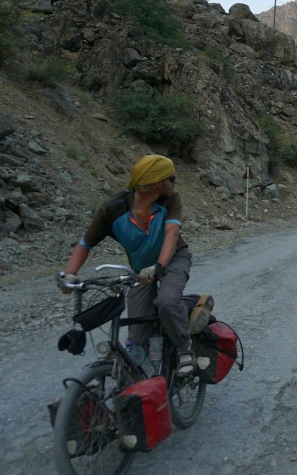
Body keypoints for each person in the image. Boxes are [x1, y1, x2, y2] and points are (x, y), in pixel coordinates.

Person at [59, 154, 197, 377]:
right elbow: (86, 244)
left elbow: (172, 234)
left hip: (174, 259)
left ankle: (184, 349)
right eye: (171, 178)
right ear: (156, 183)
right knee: (137, 329)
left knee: (167, 300)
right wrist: (70, 274)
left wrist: (159, 266)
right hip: (140, 270)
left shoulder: (170, 200)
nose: (175, 183)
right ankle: (144, 378)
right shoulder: (112, 210)